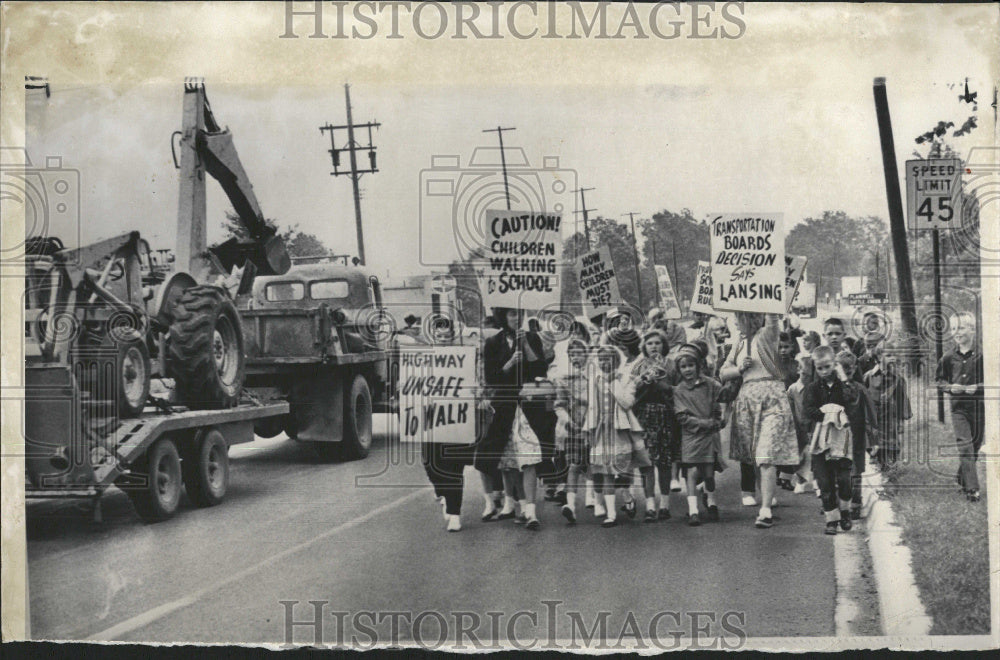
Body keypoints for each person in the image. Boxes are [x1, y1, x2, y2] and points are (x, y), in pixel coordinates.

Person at [475, 307, 553, 528]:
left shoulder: (531, 338)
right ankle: (511, 503)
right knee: (508, 459)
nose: (516, 318)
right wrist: (509, 364)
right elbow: (491, 378)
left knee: (530, 457)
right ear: (504, 317)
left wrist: (526, 346)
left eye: (519, 314)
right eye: (511, 315)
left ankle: (531, 510)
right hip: (504, 406)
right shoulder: (493, 343)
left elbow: (540, 369)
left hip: (528, 407)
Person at [721, 312, 799, 528]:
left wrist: (771, 299)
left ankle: (765, 510)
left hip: (772, 399)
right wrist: (738, 369)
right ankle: (766, 490)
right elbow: (722, 372)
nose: (735, 323)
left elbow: (773, 321)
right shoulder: (738, 344)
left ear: (751, 318)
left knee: (766, 453)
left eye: (739, 318)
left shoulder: (766, 335)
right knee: (755, 454)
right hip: (747, 401)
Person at [585, 345, 649, 528]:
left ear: (616, 361)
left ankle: (627, 496)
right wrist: (589, 430)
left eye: (609, 358)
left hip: (620, 429)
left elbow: (627, 402)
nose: (605, 362)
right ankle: (611, 513)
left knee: (622, 470)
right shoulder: (595, 380)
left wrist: (613, 384)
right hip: (601, 431)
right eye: (601, 359)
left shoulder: (626, 379)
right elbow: (592, 408)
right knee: (605, 473)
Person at [803, 346, 866, 535]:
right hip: (821, 439)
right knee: (825, 482)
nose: (824, 372)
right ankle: (831, 519)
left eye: (828, 367)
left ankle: (845, 510)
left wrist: (843, 378)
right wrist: (825, 414)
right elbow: (808, 409)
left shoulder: (844, 386)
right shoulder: (813, 388)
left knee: (845, 479)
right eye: (819, 368)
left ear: (835, 365)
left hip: (841, 437)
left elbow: (852, 399)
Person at [672, 343, 725, 526]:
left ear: (698, 365)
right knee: (692, 472)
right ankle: (693, 510)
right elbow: (681, 416)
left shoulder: (710, 384)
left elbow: (723, 399)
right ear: (679, 369)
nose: (687, 370)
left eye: (691, 365)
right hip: (691, 436)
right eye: (683, 366)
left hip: (709, 436)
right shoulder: (679, 391)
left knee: (709, 473)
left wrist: (719, 418)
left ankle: (711, 501)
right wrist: (704, 423)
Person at [935, 312, 985, 502]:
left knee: (975, 445)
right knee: (965, 445)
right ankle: (972, 489)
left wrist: (978, 387)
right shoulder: (948, 357)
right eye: (954, 328)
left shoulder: (983, 355)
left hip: (979, 408)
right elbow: (939, 380)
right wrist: (949, 387)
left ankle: (961, 477)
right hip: (958, 409)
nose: (957, 332)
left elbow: (994, 379)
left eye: (961, 328)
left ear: (972, 330)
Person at [635, 328, 682, 521]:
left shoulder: (672, 365)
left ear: (664, 345)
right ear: (644, 347)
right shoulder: (639, 365)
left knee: (664, 462)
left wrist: (664, 386)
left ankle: (664, 504)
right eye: (650, 343)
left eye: (658, 343)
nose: (654, 347)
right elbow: (631, 390)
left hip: (665, 416)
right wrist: (644, 381)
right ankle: (649, 505)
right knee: (646, 462)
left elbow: (680, 390)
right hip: (644, 416)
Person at [554, 339, 591, 523]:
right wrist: (568, 421)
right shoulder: (564, 378)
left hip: (594, 426)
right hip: (574, 427)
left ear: (586, 355)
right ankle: (571, 505)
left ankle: (599, 499)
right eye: (572, 354)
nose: (576, 357)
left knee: (597, 466)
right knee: (574, 465)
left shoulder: (596, 375)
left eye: (579, 353)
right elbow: (559, 405)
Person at [863, 341, 911, 470]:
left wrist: (901, 422)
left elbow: (902, 401)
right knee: (874, 450)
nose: (893, 358)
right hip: (873, 422)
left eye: (894, 355)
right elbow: (861, 398)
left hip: (890, 421)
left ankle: (889, 472)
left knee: (891, 450)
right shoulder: (869, 376)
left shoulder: (898, 379)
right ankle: (878, 472)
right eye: (889, 355)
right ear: (879, 357)